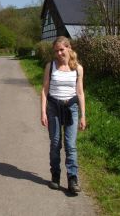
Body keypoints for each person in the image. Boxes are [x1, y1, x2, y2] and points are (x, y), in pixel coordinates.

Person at [41, 36, 86, 194]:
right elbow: (45, 90)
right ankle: (55, 175)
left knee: (70, 145)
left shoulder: (78, 68)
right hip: (53, 107)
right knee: (55, 143)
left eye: (61, 49)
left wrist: (82, 116)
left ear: (69, 48)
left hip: (71, 108)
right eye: (56, 51)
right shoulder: (50, 66)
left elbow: (80, 93)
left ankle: (72, 179)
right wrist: (43, 112)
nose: (59, 53)